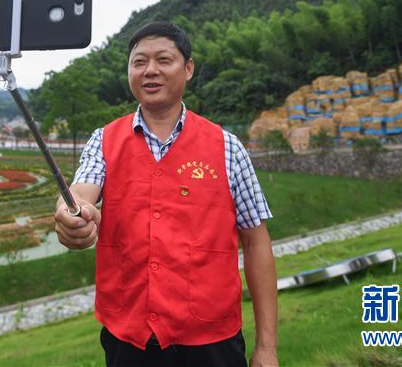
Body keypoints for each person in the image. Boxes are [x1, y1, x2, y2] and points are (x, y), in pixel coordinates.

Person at [54, 22, 278, 367]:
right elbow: (81, 192)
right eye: (139, 62)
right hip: (129, 341)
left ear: (188, 68)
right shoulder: (104, 140)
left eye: (163, 60)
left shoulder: (227, 147)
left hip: (212, 341)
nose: (150, 70)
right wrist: (72, 212)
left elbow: (256, 243)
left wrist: (267, 347)